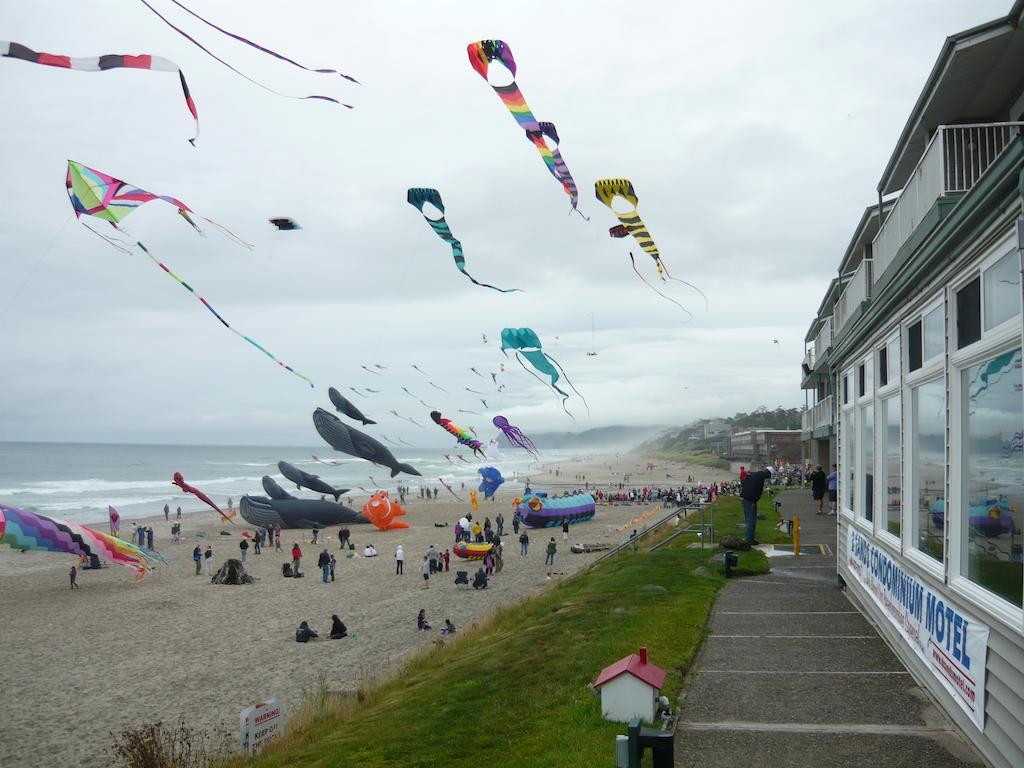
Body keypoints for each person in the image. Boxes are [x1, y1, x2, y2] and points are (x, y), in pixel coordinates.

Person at [740, 466, 773, 545]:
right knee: (751, 519)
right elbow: (755, 490)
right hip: (750, 500)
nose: (768, 478)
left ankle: (749, 538)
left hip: (744, 497)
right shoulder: (760, 477)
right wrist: (754, 502)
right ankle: (749, 539)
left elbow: (744, 481)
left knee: (748, 519)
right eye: (769, 476)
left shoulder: (754, 474)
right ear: (768, 473)